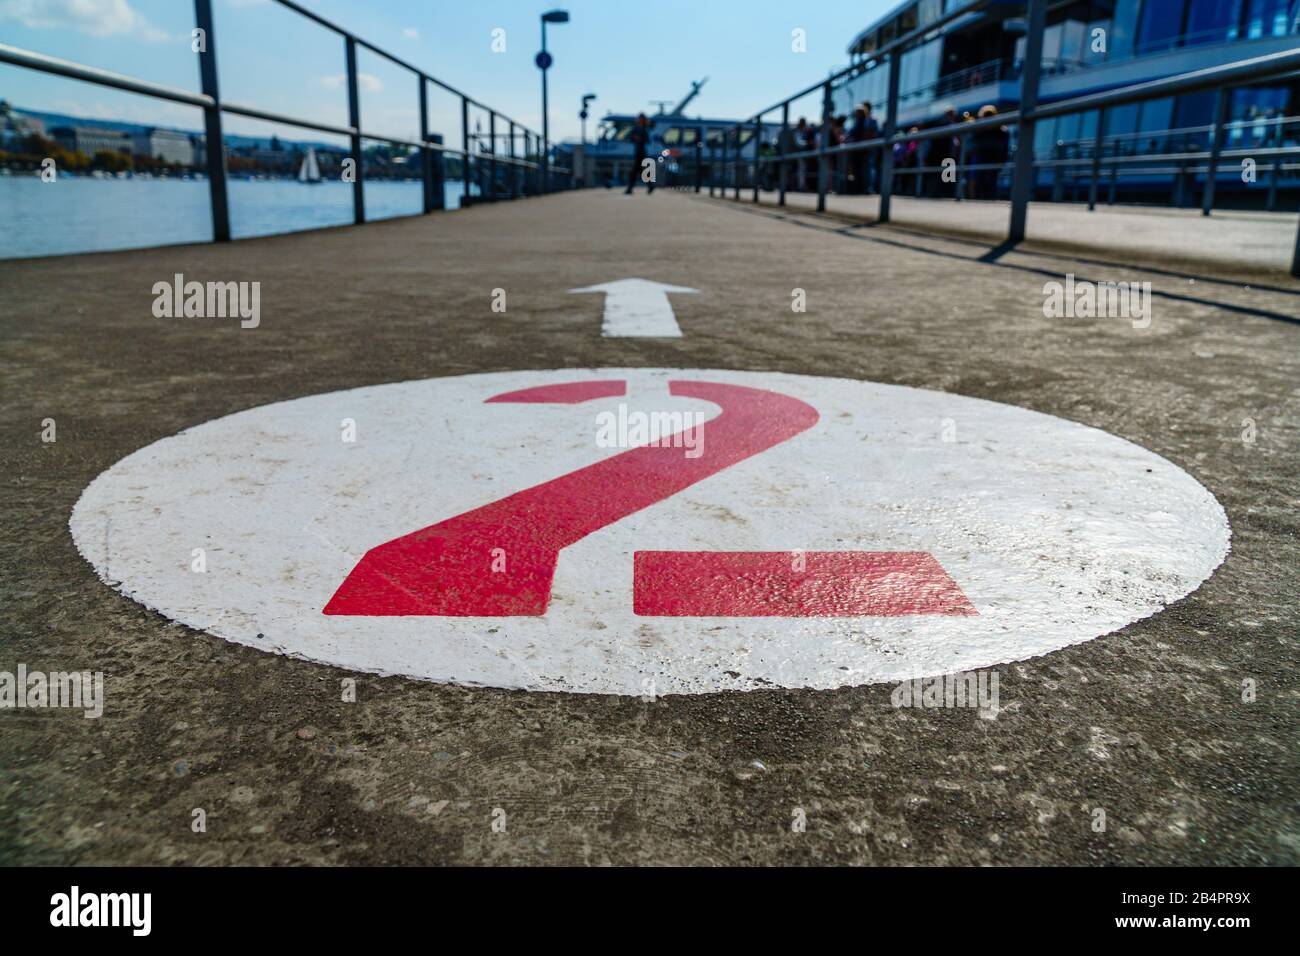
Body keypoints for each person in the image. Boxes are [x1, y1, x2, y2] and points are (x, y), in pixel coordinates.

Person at [625, 113, 655, 194]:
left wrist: (638, 139)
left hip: (640, 152)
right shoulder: (641, 128)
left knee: (635, 171)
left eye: (640, 118)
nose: (639, 120)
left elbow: (646, 140)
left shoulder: (642, 129)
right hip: (640, 152)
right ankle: (650, 186)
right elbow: (630, 138)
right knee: (640, 171)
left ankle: (630, 188)